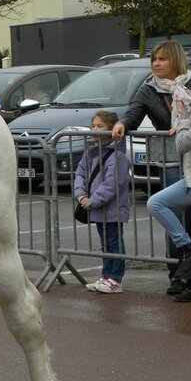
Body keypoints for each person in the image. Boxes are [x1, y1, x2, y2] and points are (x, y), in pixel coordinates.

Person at [112, 40, 191, 294]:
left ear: (175, 60)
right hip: (172, 159)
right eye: (154, 60)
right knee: (176, 215)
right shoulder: (149, 89)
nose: (157, 64)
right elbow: (133, 113)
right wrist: (122, 124)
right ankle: (178, 271)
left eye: (162, 59)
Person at [147, 101, 191, 301]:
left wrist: (183, 123)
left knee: (156, 203)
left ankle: (188, 248)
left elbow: (182, 144)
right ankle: (189, 248)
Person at [74, 111, 131, 294]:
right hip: (96, 207)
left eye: (100, 126)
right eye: (94, 125)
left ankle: (116, 278)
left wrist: (93, 201)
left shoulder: (117, 154)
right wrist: (81, 195)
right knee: (105, 242)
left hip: (112, 208)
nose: (95, 129)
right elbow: (80, 173)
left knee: (115, 242)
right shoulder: (90, 151)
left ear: (111, 129)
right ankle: (106, 275)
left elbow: (113, 183)